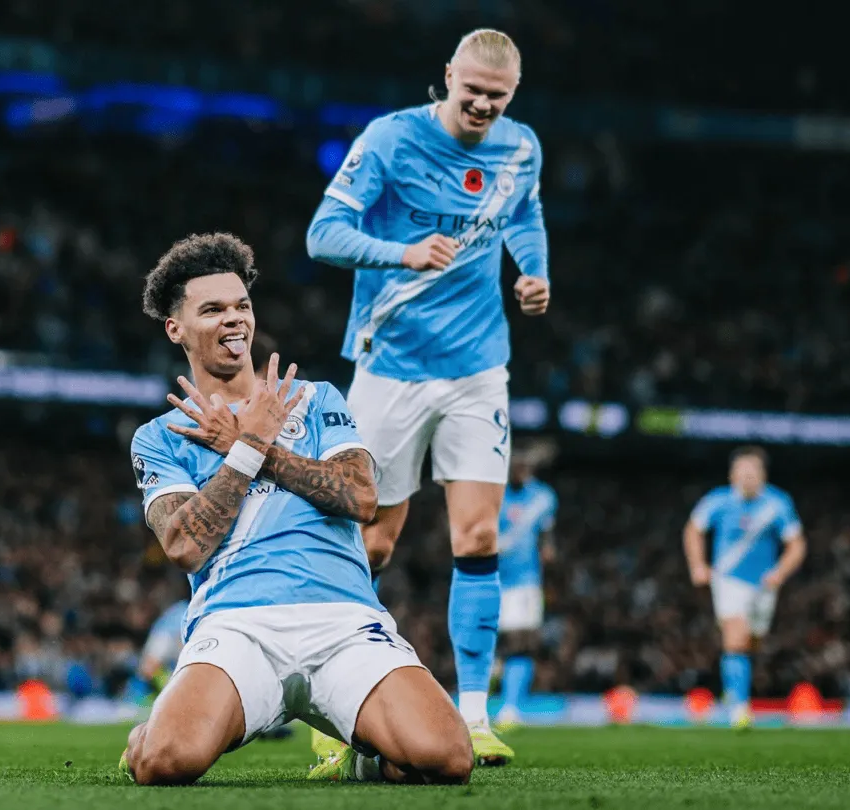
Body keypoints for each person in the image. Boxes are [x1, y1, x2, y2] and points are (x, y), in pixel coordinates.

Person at [119, 232, 472, 786]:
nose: (233, 319)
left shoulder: (317, 399)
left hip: (344, 621)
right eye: (212, 310)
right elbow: (185, 546)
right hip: (238, 625)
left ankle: (363, 757)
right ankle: (150, 731)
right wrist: (247, 446)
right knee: (163, 763)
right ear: (175, 328)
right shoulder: (161, 436)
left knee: (446, 759)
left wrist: (257, 448)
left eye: (241, 306)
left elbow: (361, 498)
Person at [304, 27, 549, 765]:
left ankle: (474, 715)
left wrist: (532, 271)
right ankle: (331, 708)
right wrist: (402, 252)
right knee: (372, 542)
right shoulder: (390, 139)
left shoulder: (521, 147)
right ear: (447, 76)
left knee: (478, 538)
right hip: (391, 368)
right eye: (472, 90)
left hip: (478, 369)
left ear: (512, 95)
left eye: (497, 96)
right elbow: (323, 234)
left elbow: (525, 214)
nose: (482, 105)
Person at [682, 446, 807, 728]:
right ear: (732, 474)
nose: (748, 476)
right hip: (728, 580)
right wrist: (697, 565)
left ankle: (733, 687)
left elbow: (797, 544)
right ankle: (739, 708)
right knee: (735, 638)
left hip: (763, 586)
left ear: (763, 474)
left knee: (753, 641)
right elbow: (693, 529)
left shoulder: (777, 503)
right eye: (743, 471)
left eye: (753, 471)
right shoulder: (718, 500)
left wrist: (780, 572)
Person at [492, 442, 557, 727]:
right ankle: (486, 691)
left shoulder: (543, 497)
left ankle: (511, 706)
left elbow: (547, 535)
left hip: (524, 581)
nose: (519, 469)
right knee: (490, 642)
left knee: (521, 641)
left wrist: (548, 552)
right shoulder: (494, 493)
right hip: (489, 577)